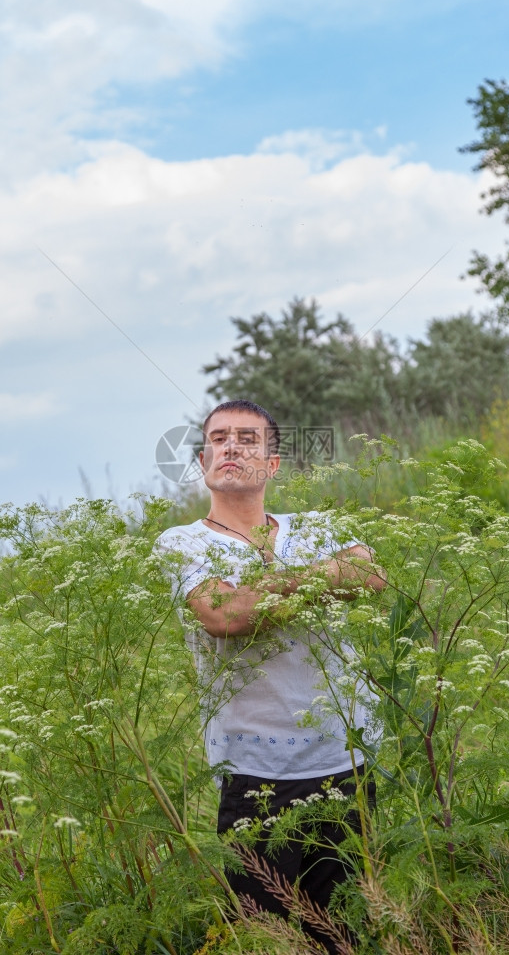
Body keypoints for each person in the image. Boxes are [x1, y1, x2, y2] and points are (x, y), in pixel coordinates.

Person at [155, 399, 385, 950]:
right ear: (204, 460)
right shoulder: (182, 543)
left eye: (248, 439)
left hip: (345, 764)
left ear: (273, 464)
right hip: (256, 775)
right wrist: (315, 581)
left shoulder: (319, 525)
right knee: (268, 939)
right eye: (218, 439)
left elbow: (370, 574)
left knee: (345, 933)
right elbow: (224, 615)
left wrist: (265, 591)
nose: (231, 447)